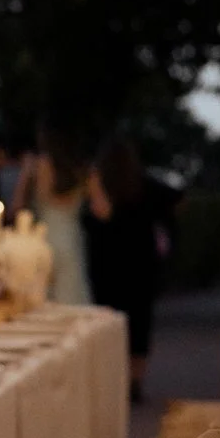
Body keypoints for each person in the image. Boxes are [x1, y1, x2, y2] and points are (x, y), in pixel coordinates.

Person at [84, 135, 176, 401]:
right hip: (141, 262)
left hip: (107, 263)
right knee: (140, 322)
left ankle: (114, 375)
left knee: (110, 319)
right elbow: (176, 199)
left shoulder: (102, 185)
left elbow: (97, 217)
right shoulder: (144, 185)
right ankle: (135, 378)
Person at [13, 129, 91, 304]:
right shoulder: (81, 167)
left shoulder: (42, 164)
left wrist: (25, 174)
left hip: (47, 237)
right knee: (72, 294)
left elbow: (18, 206)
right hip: (72, 238)